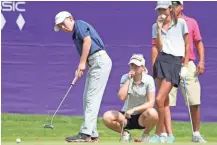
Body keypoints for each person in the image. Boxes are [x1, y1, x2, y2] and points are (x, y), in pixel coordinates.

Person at [53, 11, 112, 142]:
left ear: (70, 18)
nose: (63, 27)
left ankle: (85, 133)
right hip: (94, 63)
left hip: (99, 61)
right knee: (87, 99)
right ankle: (92, 133)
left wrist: (81, 62)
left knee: (91, 98)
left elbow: (87, 41)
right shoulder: (75, 34)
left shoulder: (78, 24)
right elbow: (86, 52)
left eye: (63, 23)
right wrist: (81, 66)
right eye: (60, 26)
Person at [155, 1, 206, 143]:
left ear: (181, 6)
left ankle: (196, 133)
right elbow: (156, 46)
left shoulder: (189, 22)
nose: (174, 6)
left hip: (187, 63)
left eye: (177, 4)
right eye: (172, 4)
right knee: (164, 101)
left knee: (194, 100)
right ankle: (166, 135)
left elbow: (197, 42)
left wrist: (201, 61)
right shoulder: (160, 23)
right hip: (168, 64)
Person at [149, 1, 190, 143]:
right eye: (159, 10)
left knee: (159, 99)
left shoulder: (181, 23)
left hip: (174, 62)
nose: (161, 12)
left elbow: (187, 45)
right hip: (161, 61)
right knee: (164, 101)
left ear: (170, 9)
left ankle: (159, 133)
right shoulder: (155, 26)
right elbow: (159, 47)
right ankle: (168, 135)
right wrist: (159, 29)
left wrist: (184, 65)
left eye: (163, 9)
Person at [103, 54, 158, 142]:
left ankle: (146, 134)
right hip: (126, 116)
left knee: (153, 113)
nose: (134, 67)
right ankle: (125, 134)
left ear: (142, 68)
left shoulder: (149, 79)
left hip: (142, 117)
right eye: (132, 65)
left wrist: (133, 109)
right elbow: (121, 97)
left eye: (137, 65)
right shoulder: (125, 77)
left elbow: (151, 103)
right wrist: (129, 80)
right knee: (107, 117)